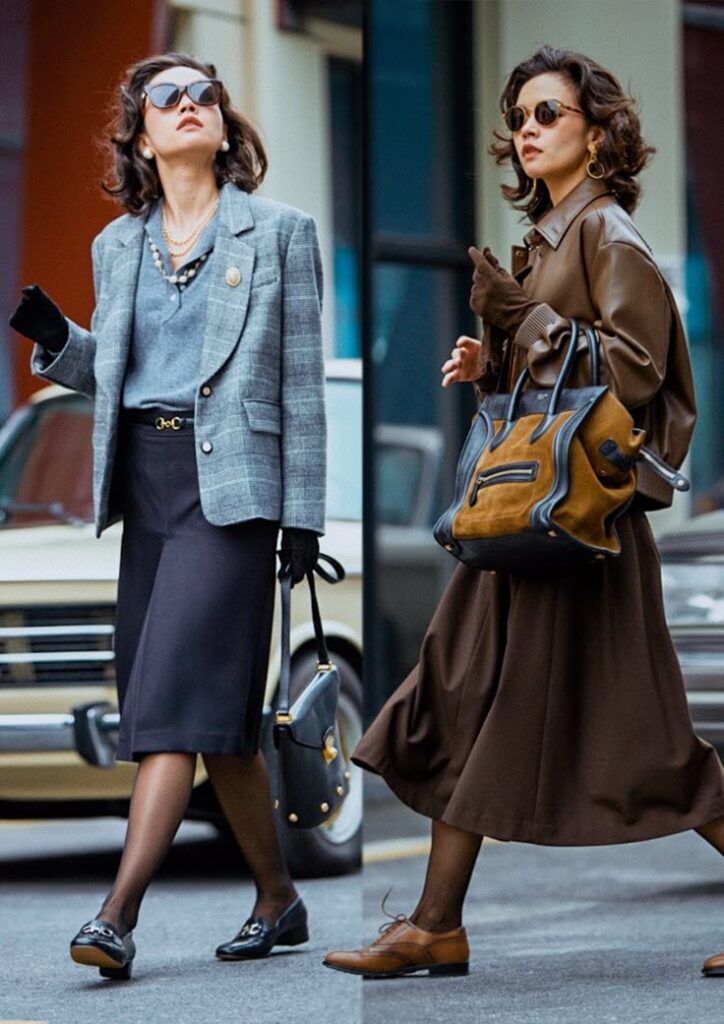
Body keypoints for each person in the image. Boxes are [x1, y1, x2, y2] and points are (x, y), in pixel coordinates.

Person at [323, 45, 724, 980]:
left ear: (597, 131)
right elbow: (557, 393)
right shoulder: (552, 238)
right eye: (521, 117)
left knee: (649, 744)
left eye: (549, 113)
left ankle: (432, 922)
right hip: (529, 530)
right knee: (460, 696)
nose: (529, 130)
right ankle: (434, 923)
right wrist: (492, 360)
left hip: (583, 539)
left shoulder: (609, 234)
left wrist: (525, 320)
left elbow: (630, 378)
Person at [9, 52, 326, 980]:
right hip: (144, 487)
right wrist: (58, 342)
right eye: (167, 98)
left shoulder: (279, 233)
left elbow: (300, 386)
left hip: (229, 495)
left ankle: (117, 913)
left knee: (169, 712)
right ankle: (279, 897)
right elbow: (118, 371)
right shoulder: (118, 245)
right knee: (213, 717)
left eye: (204, 96)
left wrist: (301, 517)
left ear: (223, 124)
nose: (189, 107)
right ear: (141, 135)